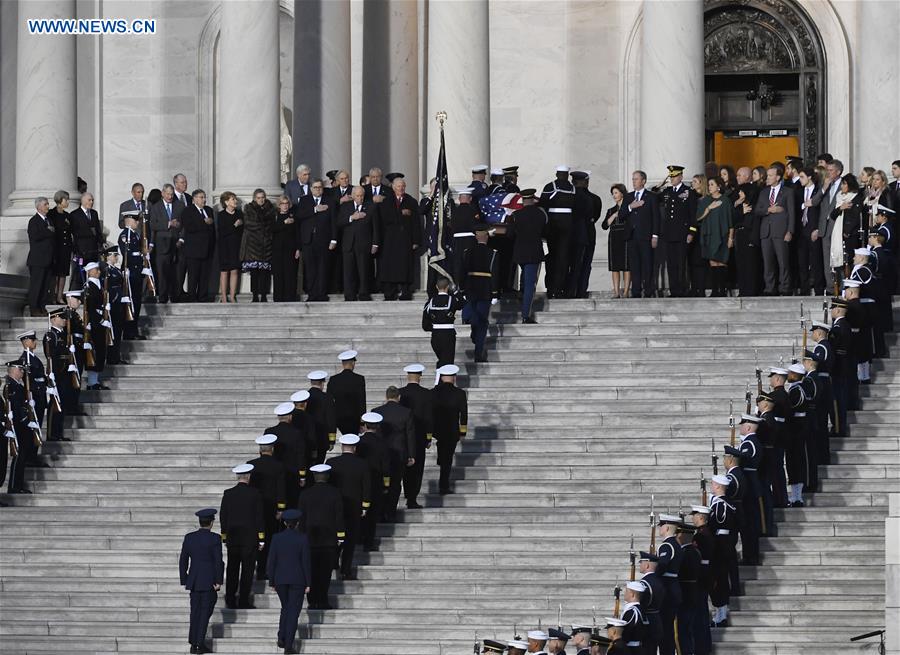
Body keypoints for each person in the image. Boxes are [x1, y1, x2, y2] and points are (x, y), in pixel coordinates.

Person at [296, 463, 344, 610]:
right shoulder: (335, 493)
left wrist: (301, 537)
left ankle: (312, 600)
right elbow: (339, 516)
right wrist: (340, 536)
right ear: (327, 476)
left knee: (311, 572)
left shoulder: (305, 494)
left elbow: (302, 519)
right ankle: (322, 600)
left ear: (314, 477)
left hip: (310, 540)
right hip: (328, 540)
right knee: (324, 573)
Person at [219, 463, 264, 610]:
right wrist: (261, 538)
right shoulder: (255, 494)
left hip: (233, 538)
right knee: (247, 571)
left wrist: (224, 537)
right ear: (249, 476)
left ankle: (230, 599)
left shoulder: (228, 493)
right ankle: (243, 600)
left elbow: (223, 517)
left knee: (232, 570)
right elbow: (259, 518)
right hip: (249, 539)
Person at [178, 508, 224, 655]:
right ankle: (198, 644)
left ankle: (193, 643)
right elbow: (218, 562)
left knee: (195, 612)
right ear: (211, 523)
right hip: (209, 580)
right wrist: (218, 580)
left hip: (195, 580)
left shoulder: (189, 537)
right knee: (204, 612)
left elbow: (183, 560)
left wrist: (185, 579)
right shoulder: (215, 538)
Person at [266, 508, 311, 655]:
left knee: (285, 608)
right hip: (297, 580)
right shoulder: (302, 538)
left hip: (280, 579)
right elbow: (306, 562)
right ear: (297, 523)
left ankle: (282, 636)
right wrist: (308, 582)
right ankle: (288, 646)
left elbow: (271, 561)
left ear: (285, 523)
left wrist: (271, 580)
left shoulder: (276, 538)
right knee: (293, 612)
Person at [326, 434, 371, 580]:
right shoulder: (362, 464)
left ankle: (333, 562)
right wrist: (365, 506)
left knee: (335, 536)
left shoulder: (331, 462)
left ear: (342, 447)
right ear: (355, 448)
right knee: (350, 540)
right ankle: (345, 570)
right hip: (354, 506)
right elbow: (366, 487)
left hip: (334, 505)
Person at [372, 386, 416, 522]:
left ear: (386, 397)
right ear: (399, 397)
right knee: (396, 484)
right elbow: (410, 435)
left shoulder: (376, 411)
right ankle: (390, 512)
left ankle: (380, 512)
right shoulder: (406, 412)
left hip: (380, 454)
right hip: (399, 453)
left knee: (380, 484)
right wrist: (411, 455)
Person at [375, 173, 422, 301]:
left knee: (405, 266)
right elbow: (386, 218)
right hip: (390, 239)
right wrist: (400, 213)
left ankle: (406, 292)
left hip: (406, 239)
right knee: (390, 266)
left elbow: (416, 222)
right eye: (398, 186)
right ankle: (390, 292)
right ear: (393, 187)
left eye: (403, 186)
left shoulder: (411, 201)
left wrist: (416, 240)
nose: (401, 188)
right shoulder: (387, 201)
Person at [247, 434, 287, 581]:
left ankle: (259, 567)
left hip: (254, 508)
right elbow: (281, 489)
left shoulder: (251, 465)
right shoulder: (279, 466)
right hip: (271, 508)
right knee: (269, 538)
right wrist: (281, 508)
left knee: (257, 538)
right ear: (272, 449)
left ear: (260, 450)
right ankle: (267, 568)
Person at [753, 163, 796, 296]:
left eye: (771, 175)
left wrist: (790, 231)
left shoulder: (788, 192)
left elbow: (792, 213)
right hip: (766, 232)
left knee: (783, 262)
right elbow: (757, 210)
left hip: (781, 231)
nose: (768, 177)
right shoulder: (764, 192)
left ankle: (785, 287)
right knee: (768, 262)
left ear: (778, 177)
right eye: (768, 175)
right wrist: (768, 210)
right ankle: (769, 288)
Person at [505, 188, 546, 323]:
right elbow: (546, 232)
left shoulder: (516, 215)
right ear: (533, 199)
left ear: (522, 200)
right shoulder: (541, 214)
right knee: (530, 285)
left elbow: (509, 235)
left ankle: (522, 300)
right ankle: (525, 315)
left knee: (524, 280)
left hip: (520, 252)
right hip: (534, 252)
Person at [460, 224, 499, 362]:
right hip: (485, 289)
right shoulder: (492, 253)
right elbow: (495, 274)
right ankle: (478, 352)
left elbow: (462, 272)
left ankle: (474, 332)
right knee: (482, 321)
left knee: (476, 317)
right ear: (486, 237)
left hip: (470, 287)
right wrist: (495, 293)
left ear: (476, 237)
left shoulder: (467, 252)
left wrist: (462, 289)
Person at [620, 170, 660, 298]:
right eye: (632, 179)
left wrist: (655, 235)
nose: (634, 181)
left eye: (636, 179)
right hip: (632, 236)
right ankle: (636, 292)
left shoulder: (651, 197)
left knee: (647, 264)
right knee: (634, 265)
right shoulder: (628, 197)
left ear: (643, 181)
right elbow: (621, 215)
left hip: (646, 237)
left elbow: (656, 217)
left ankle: (648, 291)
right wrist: (631, 207)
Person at [332, 185, 376, 301]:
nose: (360, 198)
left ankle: (364, 294)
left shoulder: (371, 206)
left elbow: (376, 227)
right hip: (348, 244)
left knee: (363, 270)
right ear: (353, 196)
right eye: (358, 196)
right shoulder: (345, 207)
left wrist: (375, 244)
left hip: (364, 244)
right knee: (348, 271)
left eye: (362, 195)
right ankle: (349, 295)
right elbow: (339, 222)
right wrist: (352, 217)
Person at [398, 364, 432, 510]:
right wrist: (428, 437)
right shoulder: (426, 394)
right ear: (420, 376)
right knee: (417, 469)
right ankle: (412, 498)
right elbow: (429, 417)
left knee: (405, 467)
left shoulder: (400, 392)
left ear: (407, 376)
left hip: (402, 436)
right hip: (419, 436)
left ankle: (407, 492)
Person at [657, 166, 695, 298]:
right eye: (670, 177)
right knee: (671, 263)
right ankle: (674, 290)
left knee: (681, 263)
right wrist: (660, 184)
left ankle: (682, 289)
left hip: (682, 233)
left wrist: (691, 232)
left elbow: (692, 215)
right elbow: (654, 196)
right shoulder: (667, 191)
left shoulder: (688, 192)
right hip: (669, 234)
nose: (671, 179)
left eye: (674, 177)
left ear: (680, 177)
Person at [539, 166, 576, 297]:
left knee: (553, 256)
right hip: (568, 226)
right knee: (563, 258)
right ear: (567, 175)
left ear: (556, 174)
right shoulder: (573, 188)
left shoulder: (550, 187)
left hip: (553, 226)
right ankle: (560, 288)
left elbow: (542, 206)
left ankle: (551, 287)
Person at [431, 364, 467, 495]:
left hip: (437, 429)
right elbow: (464, 414)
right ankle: (443, 485)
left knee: (443, 454)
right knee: (447, 459)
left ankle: (441, 461)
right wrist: (463, 431)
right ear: (454, 378)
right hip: (452, 430)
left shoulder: (433, 392)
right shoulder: (460, 393)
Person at [357, 412, 390, 552]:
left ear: (364, 425)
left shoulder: (358, 442)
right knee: (372, 514)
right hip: (376, 481)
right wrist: (386, 484)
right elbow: (386, 466)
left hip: (359, 482)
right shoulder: (382, 443)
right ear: (377, 427)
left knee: (360, 511)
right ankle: (368, 542)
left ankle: (358, 537)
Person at [696, 177, 735, 297]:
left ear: (719, 186)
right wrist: (709, 208)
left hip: (723, 235)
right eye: (709, 184)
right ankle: (714, 290)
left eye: (712, 184)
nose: (710, 187)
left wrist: (730, 238)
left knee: (722, 262)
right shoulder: (705, 200)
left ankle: (722, 290)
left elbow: (730, 221)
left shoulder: (725, 201)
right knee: (713, 262)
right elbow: (698, 218)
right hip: (709, 235)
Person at [708, 474, 737, 627]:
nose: (711, 487)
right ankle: (721, 613)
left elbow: (715, 524)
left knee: (718, 580)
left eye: (713, 484)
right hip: (727, 543)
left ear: (718, 486)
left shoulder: (720, 505)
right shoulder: (730, 504)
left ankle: (720, 613)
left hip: (719, 544)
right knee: (722, 579)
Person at [296, 182, 332, 302]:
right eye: (315, 187)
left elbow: (333, 221)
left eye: (320, 187)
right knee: (310, 268)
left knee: (323, 268)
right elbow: (299, 215)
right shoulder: (304, 200)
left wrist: (334, 239)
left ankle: (322, 294)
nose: (317, 190)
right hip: (308, 239)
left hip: (323, 239)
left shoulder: (329, 200)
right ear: (311, 189)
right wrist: (315, 209)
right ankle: (312, 294)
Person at [813, 159, 845, 291]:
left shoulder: (844, 183)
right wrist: (824, 187)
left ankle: (841, 286)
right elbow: (814, 202)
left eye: (831, 170)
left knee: (839, 257)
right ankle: (830, 287)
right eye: (827, 170)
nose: (828, 173)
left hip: (837, 226)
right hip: (824, 227)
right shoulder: (824, 184)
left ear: (838, 171)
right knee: (827, 259)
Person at [148, 184, 183, 303]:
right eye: (168, 194)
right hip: (161, 245)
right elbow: (153, 225)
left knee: (175, 273)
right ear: (162, 193)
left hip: (176, 244)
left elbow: (183, 224)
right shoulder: (156, 207)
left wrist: (181, 238)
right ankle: (162, 297)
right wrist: (168, 224)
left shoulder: (179, 205)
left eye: (172, 194)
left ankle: (175, 296)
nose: (170, 196)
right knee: (162, 273)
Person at [267, 402, 306, 507]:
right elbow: (300, 455)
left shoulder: (269, 432)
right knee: (292, 501)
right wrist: (302, 475)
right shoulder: (297, 433)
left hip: (274, 472)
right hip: (292, 473)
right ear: (290, 416)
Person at [240, 189, 275, 302]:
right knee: (254, 273)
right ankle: (255, 295)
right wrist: (262, 225)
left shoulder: (270, 208)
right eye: (259, 197)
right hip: (253, 245)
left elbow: (271, 224)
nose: (261, 200)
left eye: (263, 197)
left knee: (265, 273)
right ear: (255, 198)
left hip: (266, 245)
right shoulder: (248, 208)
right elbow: (249, 223)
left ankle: (264, 295)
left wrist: (265, 228)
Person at [182, 189, 215, 303]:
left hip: (207, 249)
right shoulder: (188, 211)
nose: (204, 199)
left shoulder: (209, 210)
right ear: (194, 199)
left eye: (204, 197)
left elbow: (212, 230)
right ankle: (192, 297)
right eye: (201, 197)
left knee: (204, 276)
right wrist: (204, 223)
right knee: (193, 275)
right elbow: (189, 227)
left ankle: (203, 297)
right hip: (194, 250)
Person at [422, 277, 463, 368]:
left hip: (436, 335)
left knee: (442, 362)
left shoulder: (430, 302)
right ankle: (442, 382)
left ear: (437, 287)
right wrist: (456, 292)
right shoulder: (452, 300)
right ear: (448, 287)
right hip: (448, 335)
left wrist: (434, 327)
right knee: (447, 364)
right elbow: (463, 304)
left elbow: (425, 325)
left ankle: (440, 380)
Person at [327, 350, 367, 437]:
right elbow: (361, 401)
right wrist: (362, 423)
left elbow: (329, 401)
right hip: (354, 418)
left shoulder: (334, 379)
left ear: (342, 364)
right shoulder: (359, 379)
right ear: (353, 363)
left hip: (339, 418)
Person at [118, 215, 145, 340]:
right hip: (131, 273)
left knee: (137, 302)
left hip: (137, 272)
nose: (138, 222)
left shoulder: (135, 234)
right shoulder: (126, 235)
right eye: (136, 220)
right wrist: (140, 254)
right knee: (131, 303)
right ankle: (129, 331)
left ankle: (133, 330)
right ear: (129, 222)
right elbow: (127, 253)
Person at [797, 167, 823, 295]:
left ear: (809, 177)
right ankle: (804, 289)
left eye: (802, 177)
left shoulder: (818, 191)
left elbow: (822, 212)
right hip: (801, 230)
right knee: (802, 262)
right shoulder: (798, 191)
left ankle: (818, 288)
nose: (800, 179)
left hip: (813, 230)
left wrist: (818, 228)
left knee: (816, 261)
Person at [27, 197, 55, 316]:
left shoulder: (49, 220)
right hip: (37, 260)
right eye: (45, 204)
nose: (48, 206)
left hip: (48, 259)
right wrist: (48, 231)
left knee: (45, 286)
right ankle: (34, 308)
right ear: (38, 207)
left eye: (48, 204)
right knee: (36, 285)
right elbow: (35, 236)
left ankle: (42, 307)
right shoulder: (34, 221)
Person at [82, 263, 108, 390]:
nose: (98, 272)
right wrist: (99, 320)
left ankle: (95, 381)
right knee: (94, 351)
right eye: (95, 270)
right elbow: (89, 308)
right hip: (94, 322)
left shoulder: (99, 284)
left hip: (101, 319)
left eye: (98, 269)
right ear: (89, 272)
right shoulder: (89, 286)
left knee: (101, 349)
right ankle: (92, 382)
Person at [271, 195, 300, 302]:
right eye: (283, 204)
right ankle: (278, 298)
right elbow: (272, 229)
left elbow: (297, 233)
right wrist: (284, 223)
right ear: (279, 205)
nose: (285, 206)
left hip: (291, 249)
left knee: (290, 273)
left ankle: (290, 297)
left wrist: (298, 248)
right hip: (277, 249)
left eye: (287, 203)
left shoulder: (293, 216)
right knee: (278, 274)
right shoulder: (275, 216)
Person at [70, 192, 103, 287]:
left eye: (92, 200)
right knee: (79, 274)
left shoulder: (94, 213)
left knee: (93, 273)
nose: (92, 202)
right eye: (89, 200)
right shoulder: (75, 214)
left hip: (93, 249)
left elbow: (98, 230)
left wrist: (101, 243)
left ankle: (91, 292)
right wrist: (75, 250)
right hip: (81, 250)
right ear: (83, 201)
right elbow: (74, 233)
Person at [215, 192, 243, 303]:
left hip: (236, 246)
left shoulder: (239, 214)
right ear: (226, 202)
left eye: (235, 199)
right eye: (232, 199)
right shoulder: (221, 215)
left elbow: (242, 231)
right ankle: (223, 297)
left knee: (235, 271)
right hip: (224, 246)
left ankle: (232, 296)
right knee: (224, 271)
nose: (235, 201)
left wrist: (240, 225)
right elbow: (222, 231)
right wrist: (235, 225)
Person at [48, 190, 73, 304]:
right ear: (60, 200)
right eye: (66, 199)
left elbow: (70, 232)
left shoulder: (67, 215)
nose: (68, 202)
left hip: (65, 248)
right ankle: (52, 296)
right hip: (55, 248)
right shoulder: (51, 214)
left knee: (63, 272)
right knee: (54, 273)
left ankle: (59, 296)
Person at [306, 370, 337, 458]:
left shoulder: (305, 397)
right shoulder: (327, 398)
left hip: (307, 438)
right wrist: (331, 440)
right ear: (322, 383)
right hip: (321, 438)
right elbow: (331, 419)